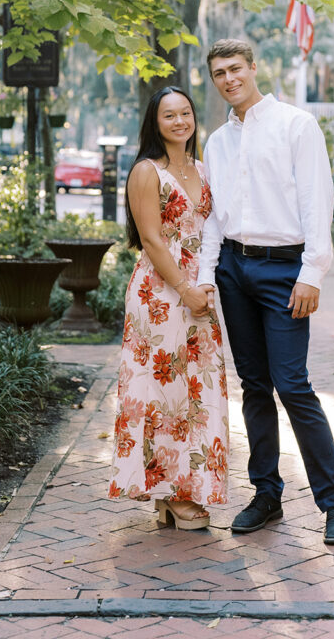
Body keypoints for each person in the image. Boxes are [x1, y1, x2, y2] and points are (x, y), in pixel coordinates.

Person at [196, 39, 334, 545]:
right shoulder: (216, 142)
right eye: (219, 72)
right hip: (234, 271)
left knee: (293, 385)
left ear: (253, 68)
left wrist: (313, 272)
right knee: (255, 385)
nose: (228, 79)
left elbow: (316, 201)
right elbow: (214, 220)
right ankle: (266, 494)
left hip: (286, 272)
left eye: (235, 69)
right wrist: (207, 275)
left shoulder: (296, 125)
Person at [108, 86, 228, 529]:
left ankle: (182, 487)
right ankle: (170, 491)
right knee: (162, 392)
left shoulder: (202, 167)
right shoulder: (146, 171)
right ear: (154, 124)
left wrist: (204, 286)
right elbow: (152, 240)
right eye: (168, 115)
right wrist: (184, 287)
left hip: (201, 287)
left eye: (185, 113)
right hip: (160, 295)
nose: (179, 121)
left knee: (195, 392)